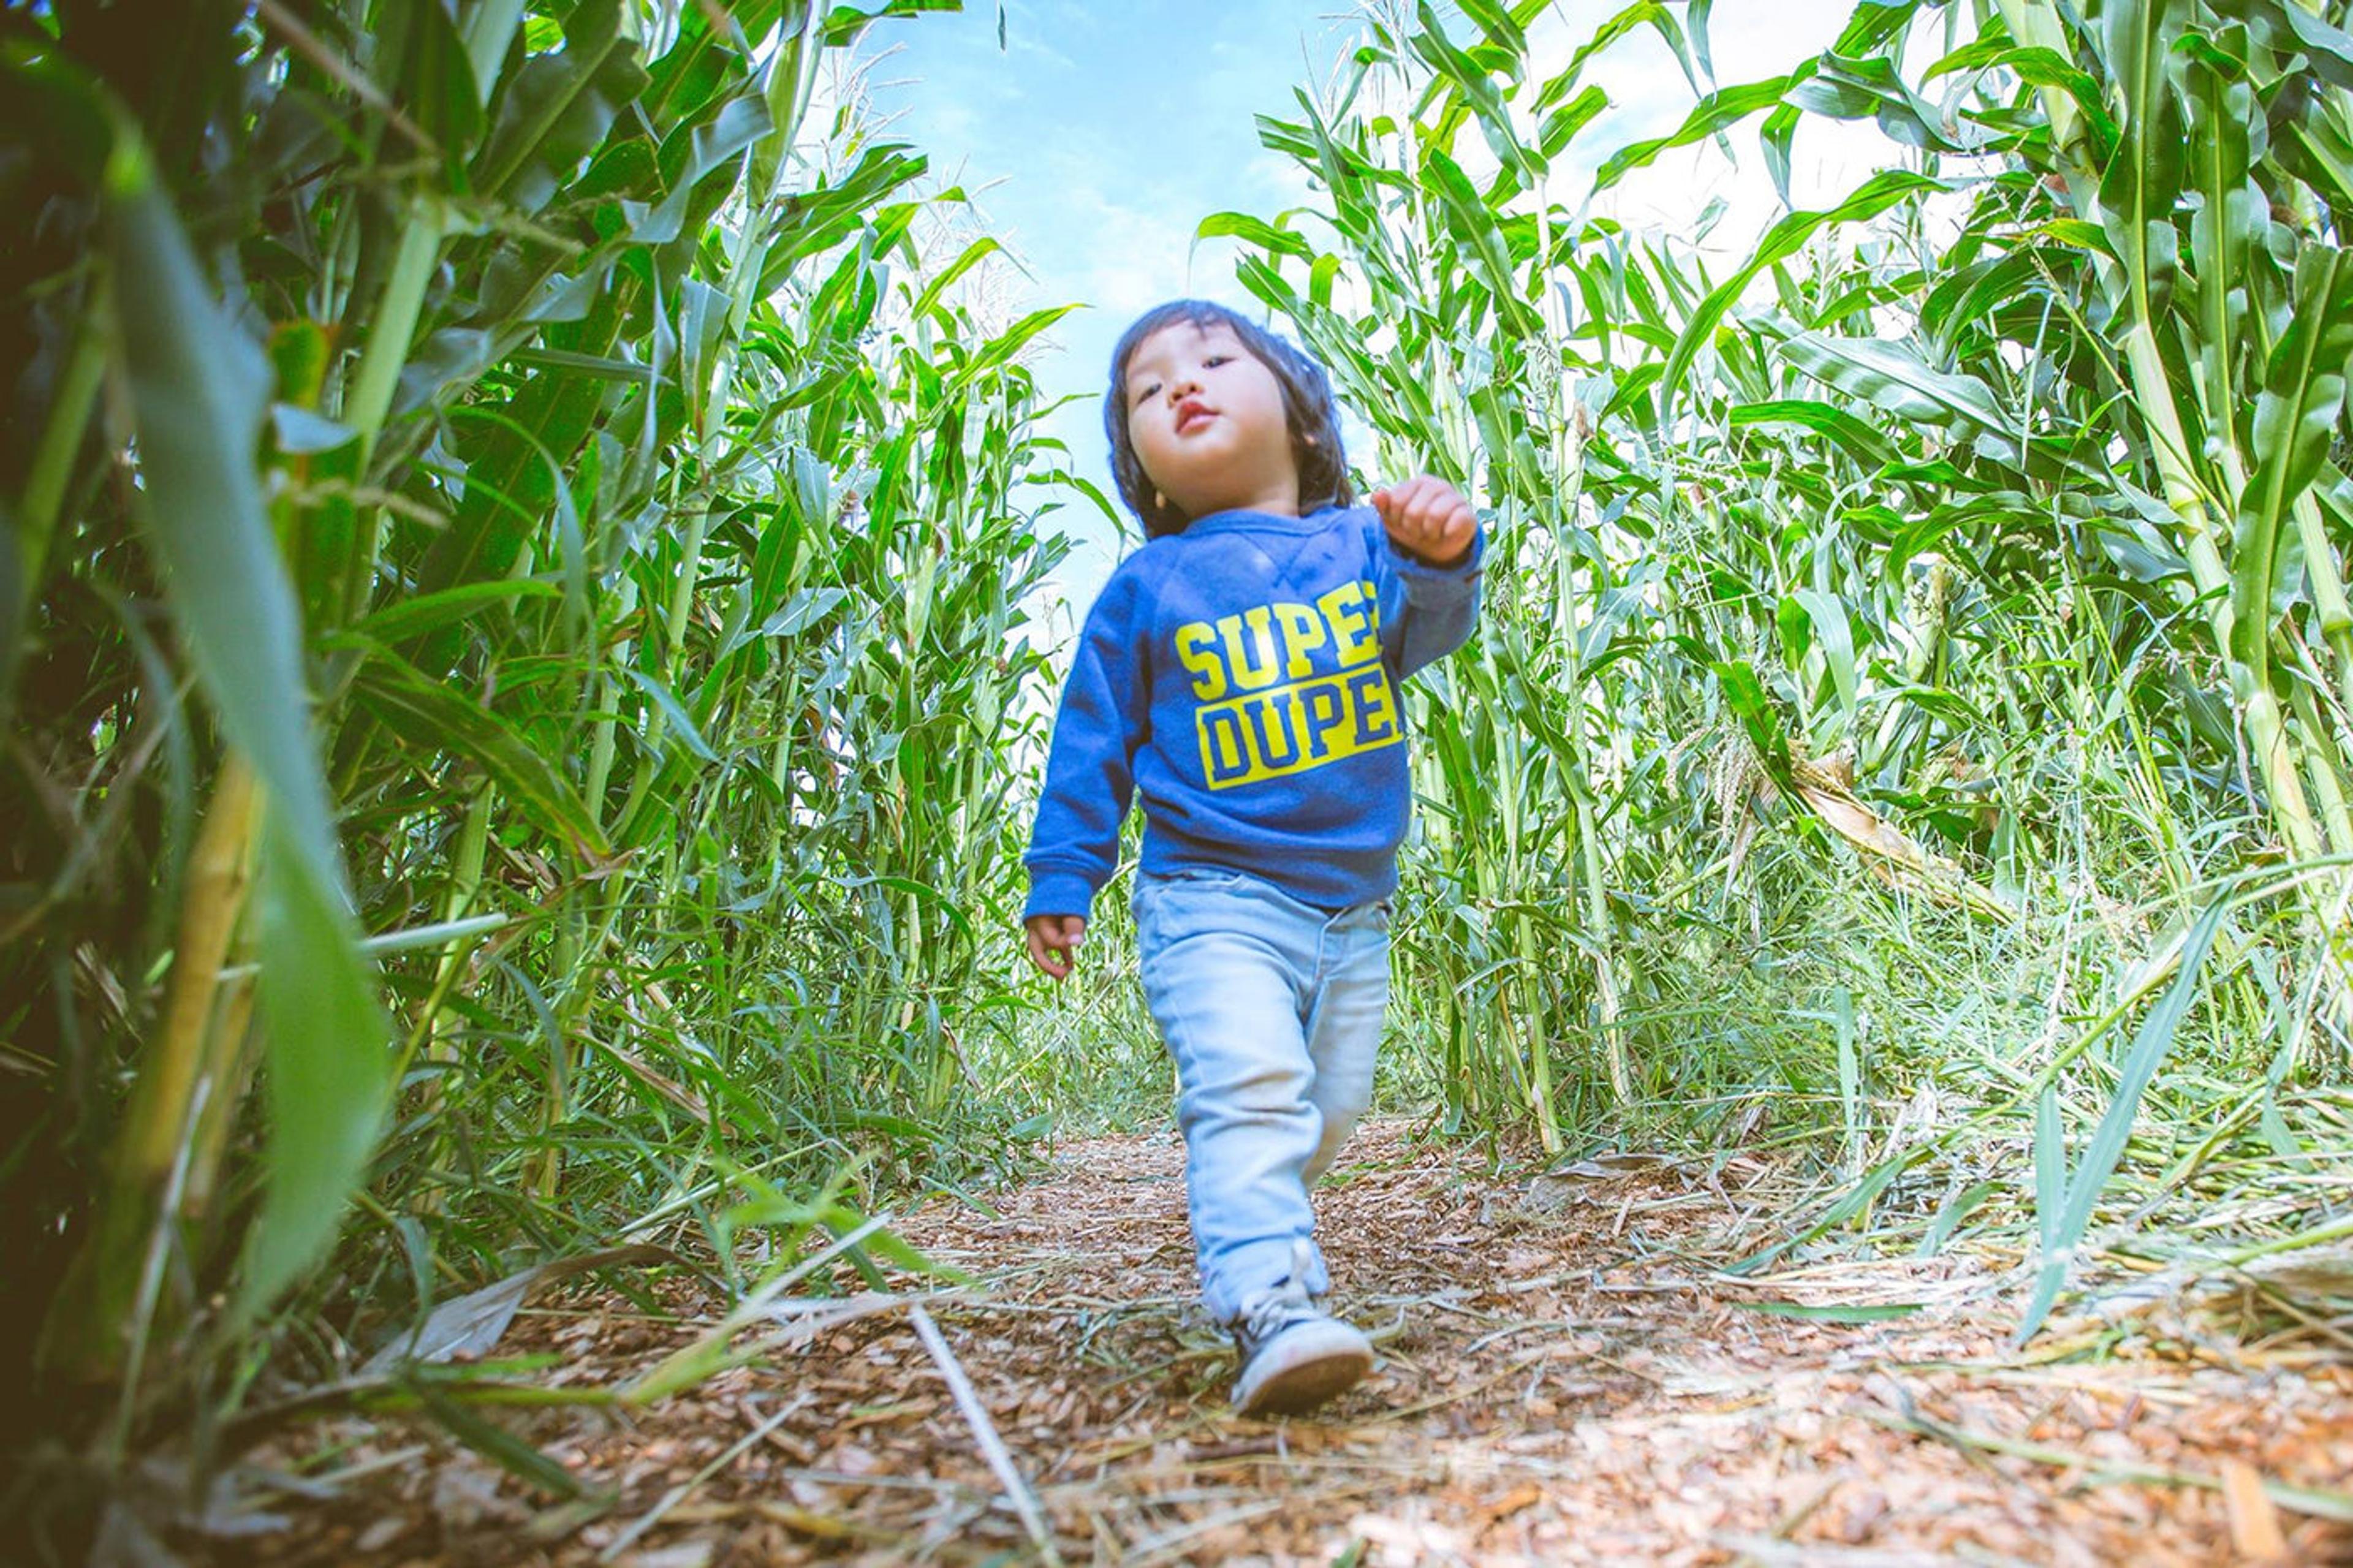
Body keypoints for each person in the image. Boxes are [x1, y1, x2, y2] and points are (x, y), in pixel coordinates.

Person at [1020, 299, 1483, 1415]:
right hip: (1209, 896)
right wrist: (1063, 872)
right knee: (1250, 1091)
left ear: (1301, 416)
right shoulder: (1149, 587)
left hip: (1351, 912)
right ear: (1146, 471)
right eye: (1146, 390)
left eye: (1217, 360)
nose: (1183, 383)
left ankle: (1253, 1218)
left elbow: (1430, 632)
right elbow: (1091, 740)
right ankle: (1269, 1303)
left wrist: (1442, 553)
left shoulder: (1359, 544)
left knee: (1324, 1114)